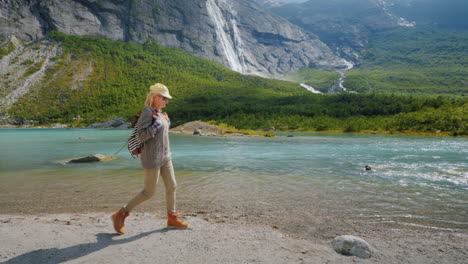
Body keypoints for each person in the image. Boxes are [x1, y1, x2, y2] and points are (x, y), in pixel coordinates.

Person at [112, 83, 188, 234]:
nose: (167, 101)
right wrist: (156, 124)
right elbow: (142, 136)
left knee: (172, 186)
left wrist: (165, 121)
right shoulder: (148, 112)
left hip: (166, 157)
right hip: (152, 158)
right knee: (149, 192)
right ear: (154, 97)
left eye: (167, 99)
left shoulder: (160, 113)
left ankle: (171, 218)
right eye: (164, 98)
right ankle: (121, 214)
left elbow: (162, 134)